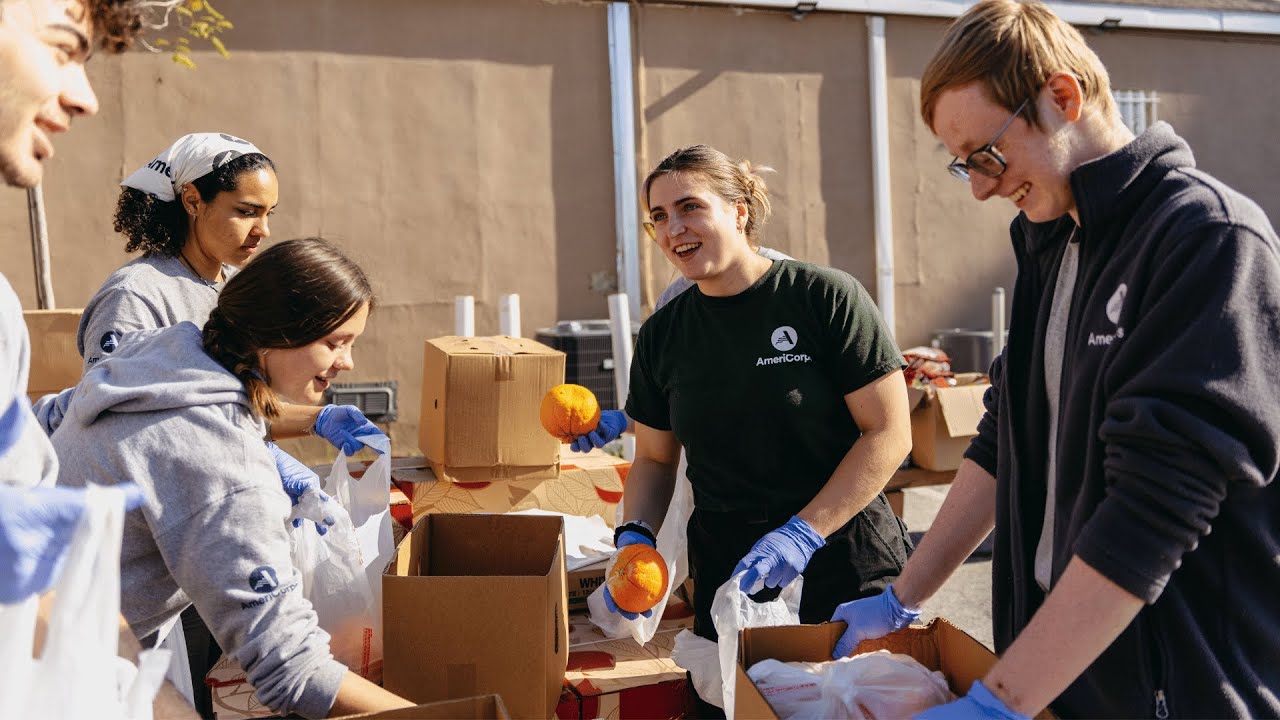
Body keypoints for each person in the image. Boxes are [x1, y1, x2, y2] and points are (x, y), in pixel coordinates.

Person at [830, 2, 1280, 718]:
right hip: (1061, 675)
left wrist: (998, 702)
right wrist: (900, 596)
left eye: (986, 154)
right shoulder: (1051, 237)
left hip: (1172, 688)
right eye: (962, 165)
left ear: (1062, 97)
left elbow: (1156, 506)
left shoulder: (1206, 238)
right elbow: (1003, 438)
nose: (979, 186)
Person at [49, 237, 414, 718]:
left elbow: (49, 417)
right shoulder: (223, 464)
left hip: (42, 625)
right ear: (279, 331)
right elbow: (293, 672)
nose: (347, 362)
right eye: (335, 342)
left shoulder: (159, 355)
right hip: (60, 677)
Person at [607, 144, 913, 659]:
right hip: (732, 570)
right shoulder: (664, 334)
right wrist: (635, 535)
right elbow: (656, 458)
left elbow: (888, 433)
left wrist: (801, 533)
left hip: (843, 553)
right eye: (658, 216)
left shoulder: (823, 297)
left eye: (691, 207)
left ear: (739, 212)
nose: (672, 228)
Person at [0, 1, 197, 717]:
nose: (83, 96)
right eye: (61, 47)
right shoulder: (136, 294)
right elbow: (107, 401)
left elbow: (50, 578)